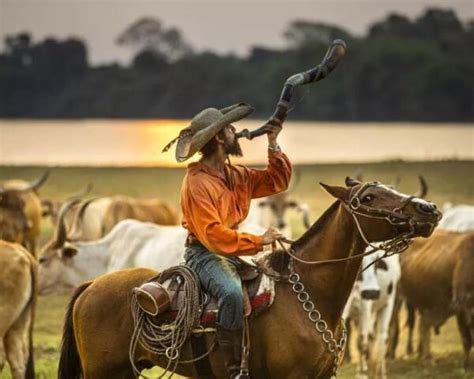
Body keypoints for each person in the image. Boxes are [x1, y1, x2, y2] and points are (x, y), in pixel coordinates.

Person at [164, 103, 292, 378]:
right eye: (229, 128)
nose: (236, 131)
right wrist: (259, 240)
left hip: (229, 252)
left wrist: (273, 143)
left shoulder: (236, 175)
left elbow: (278, 181)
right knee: (232, 294)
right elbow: (212, 235)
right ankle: (234, 370)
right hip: (204, 254)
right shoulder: (197, 183)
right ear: (220, 139)